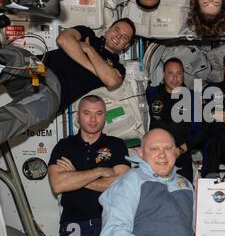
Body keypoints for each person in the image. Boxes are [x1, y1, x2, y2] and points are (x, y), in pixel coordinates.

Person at [99, 128, 225, 236]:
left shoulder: (185, 185)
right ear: (140, 153)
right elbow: (113, 234)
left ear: (175, 152)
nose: (162, 154)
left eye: (168, 148)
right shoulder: (130, 181)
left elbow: (204, 232)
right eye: (154, 148)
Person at [0, 18, 135, 145]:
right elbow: (64, 39)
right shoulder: (87, 33)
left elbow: (111, 81)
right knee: (15, 58)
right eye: (117, 30)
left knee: (25, 115)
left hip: (54, 92)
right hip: (39, 67)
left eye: (124, 37)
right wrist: (99, 70)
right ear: (108, 29)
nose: (118, 36)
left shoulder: (118, 68)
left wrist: (89, 50)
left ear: (126, 45)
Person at [48, 95, 130, 236]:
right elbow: (58, 184)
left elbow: (123, 184)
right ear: (78, 116)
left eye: (99, 113)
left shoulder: (116, 145)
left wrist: (73, 177)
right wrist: (99, 172)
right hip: (73, 228)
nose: (93, 119)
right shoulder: (64, 146)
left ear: (105, 117)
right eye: (87, 113)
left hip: (107, 226)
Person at [146, 58, 203, 183]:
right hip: (153, 156)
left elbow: (199, 132)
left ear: (183, 75)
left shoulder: (193, 98)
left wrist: (180, 150)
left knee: (182, 195)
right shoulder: (151, 93)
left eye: (178, 73)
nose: (174, 78)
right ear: (163, 74)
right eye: (170, 73)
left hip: (179, 155)